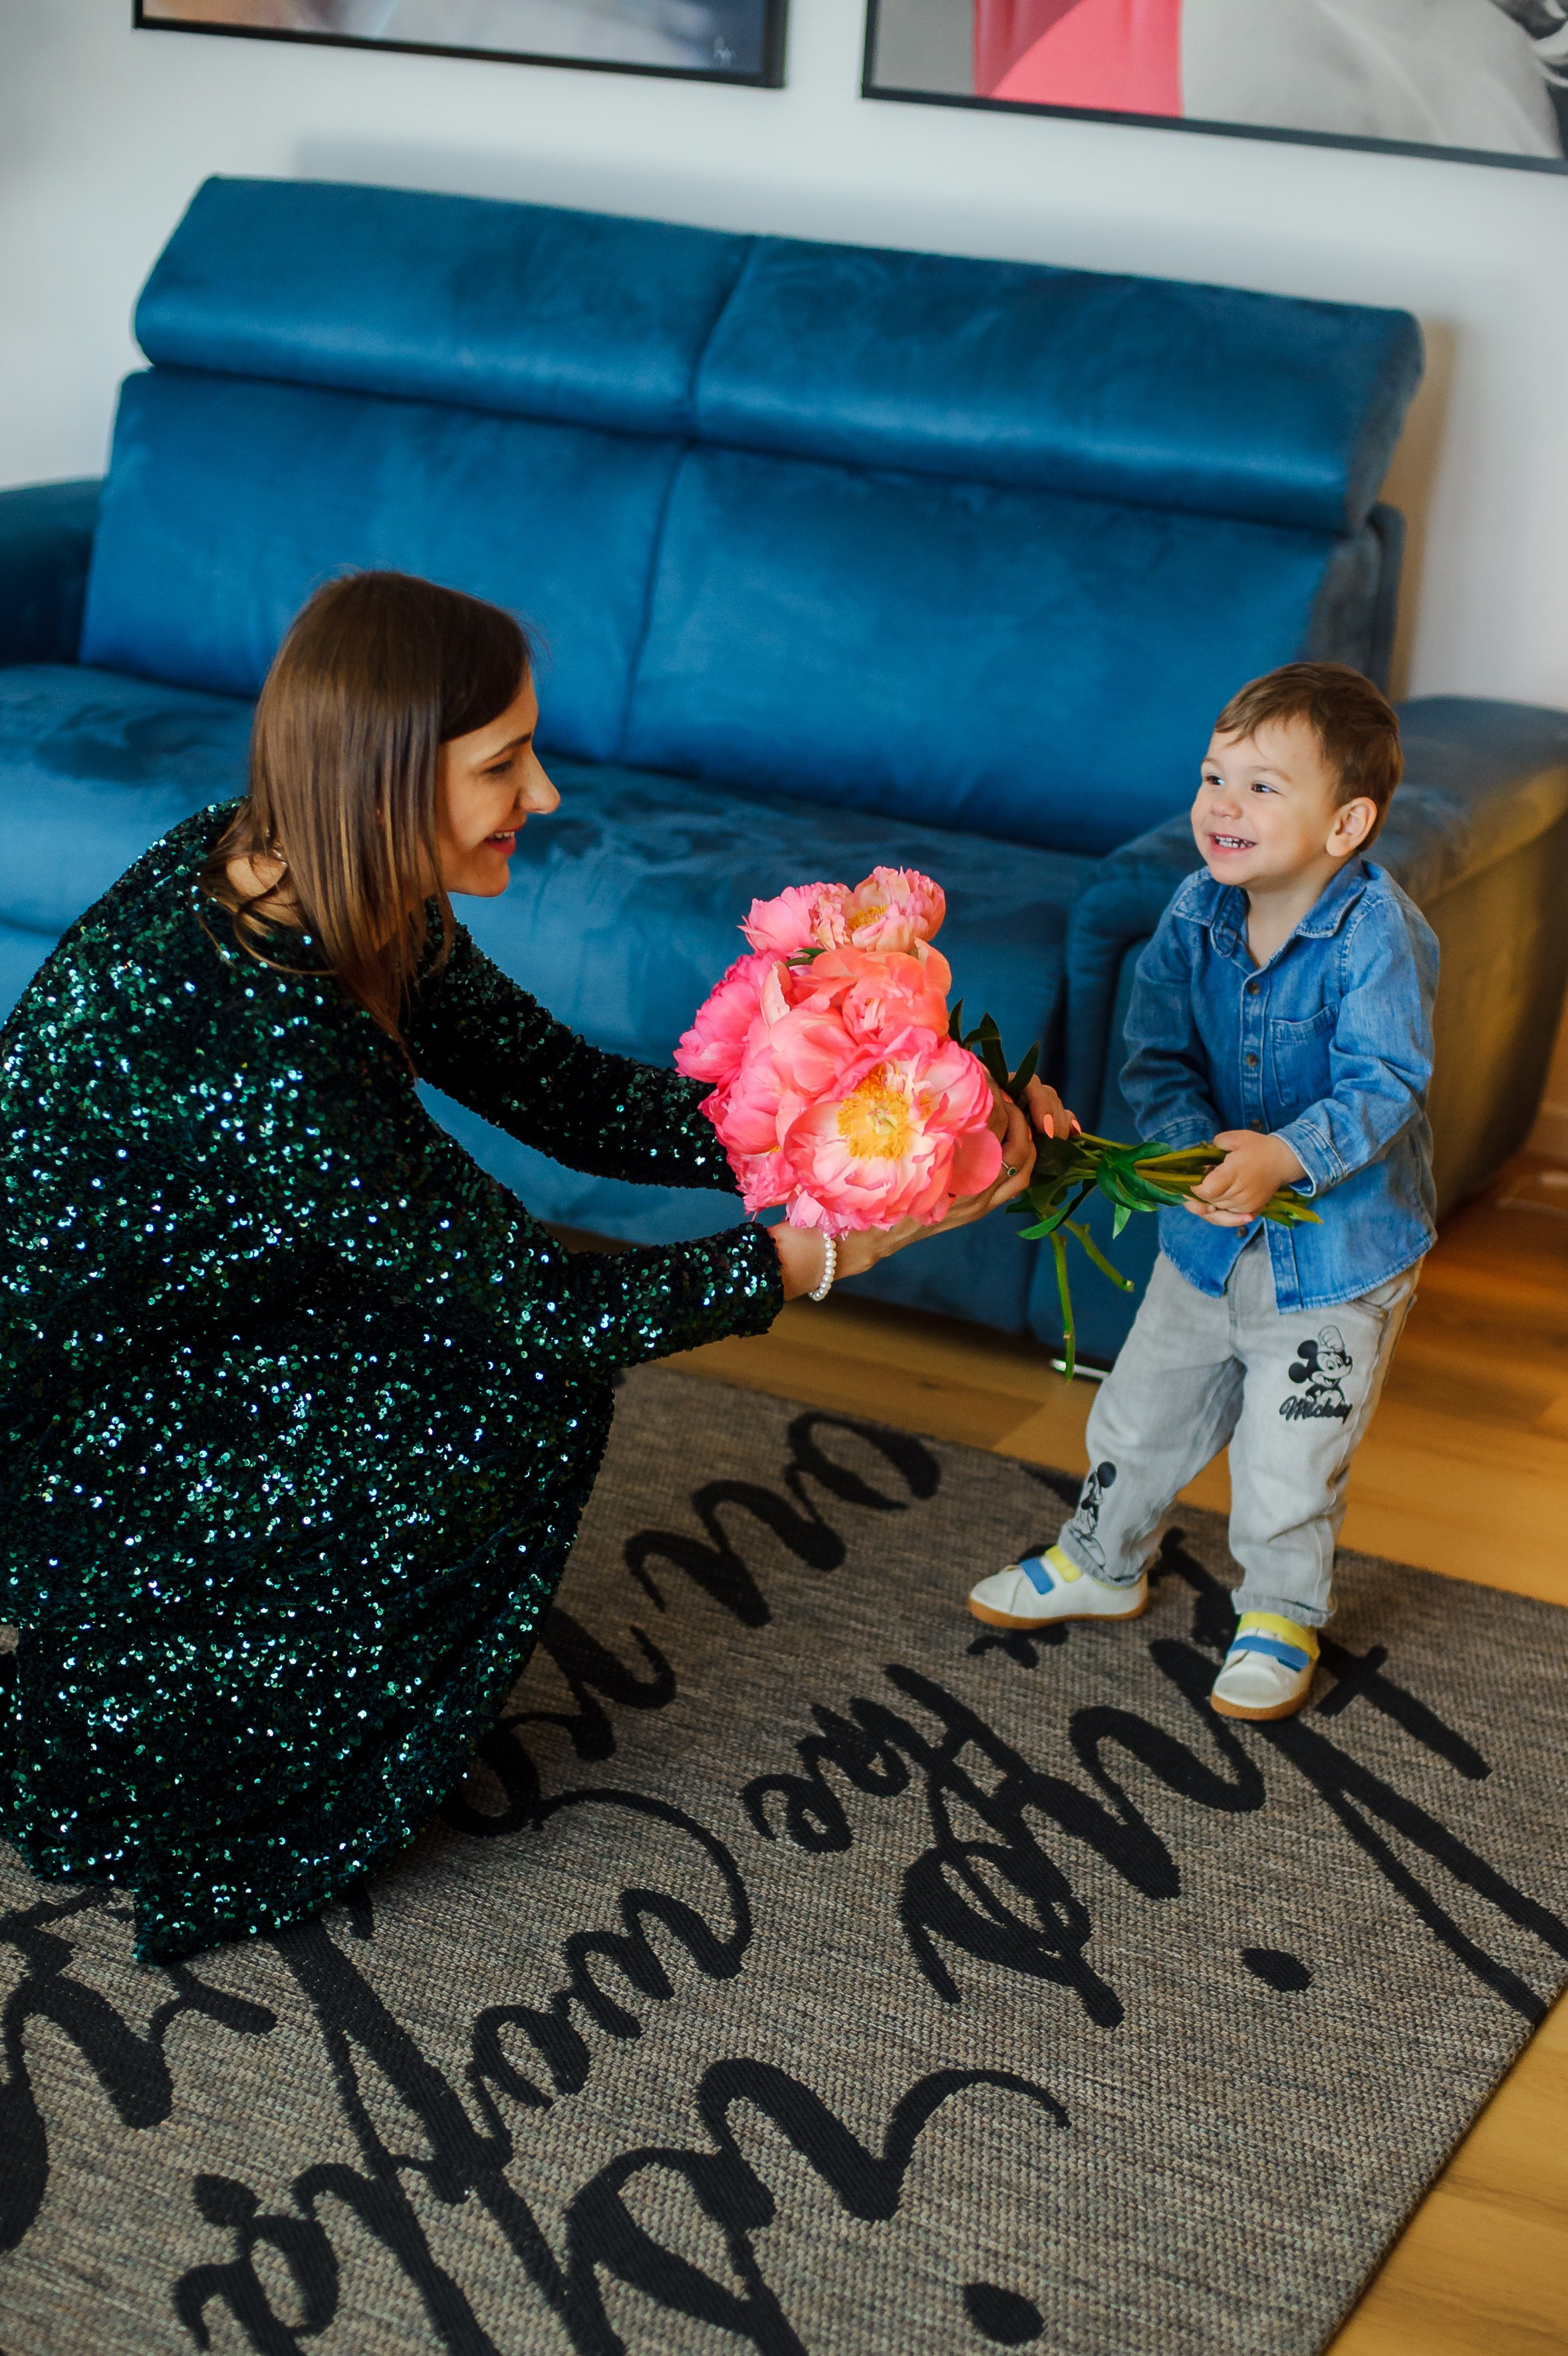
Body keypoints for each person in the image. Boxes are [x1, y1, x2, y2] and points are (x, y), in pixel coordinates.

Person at [0, 571, 1059, 1964]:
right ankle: (240, 1748)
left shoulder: (309, 875)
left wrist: (913, 1116)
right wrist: (829, 1246)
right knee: (522, 1372)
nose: (546, 794)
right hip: (102, 1432)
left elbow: (567, 1093)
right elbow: (556, 1310)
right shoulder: (272, 1027)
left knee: (518, 1342)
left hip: (221, 1309)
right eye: (503, 762)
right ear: (384, 778)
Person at [968, 663, 1438, 1722]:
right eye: (1213, 776)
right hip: (1205, 1235)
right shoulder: (1193, 910)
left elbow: (1388, 1082)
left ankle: (1277, 1610)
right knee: (1140, 1414)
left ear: (1345, 823)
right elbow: (1155, 1056)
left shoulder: (1374, 936)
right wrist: (1188, 1161)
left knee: (1289, 1454)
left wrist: (1282, 1156)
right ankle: (1102, 1556)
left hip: (1335, 1260)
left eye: (1263, 787)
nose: (1222, 806)